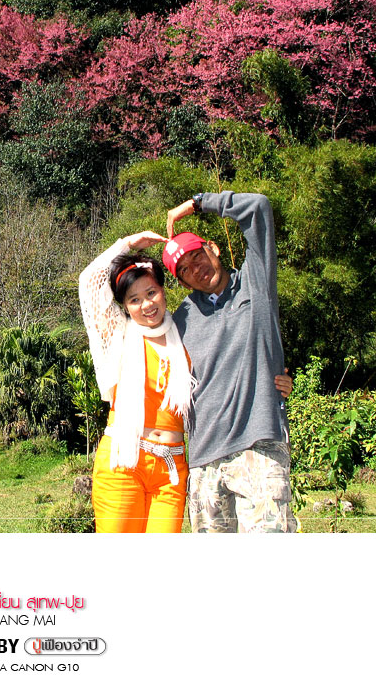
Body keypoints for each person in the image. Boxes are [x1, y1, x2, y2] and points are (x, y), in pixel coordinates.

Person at [165, 191, 296, 533]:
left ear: (214, 248)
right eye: (184, 269)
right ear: (181, 282)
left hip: (259, 449)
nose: (195, 269)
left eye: (197, 255)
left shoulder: (255, 282)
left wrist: (196, 204)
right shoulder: (180, 320)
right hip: (204, 461)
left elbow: (258, 208)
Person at [78, 231, 194, 533]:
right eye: (135, 299)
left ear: (163, 291)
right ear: (125, 306)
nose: (146, 304)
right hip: (123, 461)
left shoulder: (184, 335)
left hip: (171, 471)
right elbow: (89, 283)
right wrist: (127, 244)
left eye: (151, 293)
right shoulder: (119, 334)